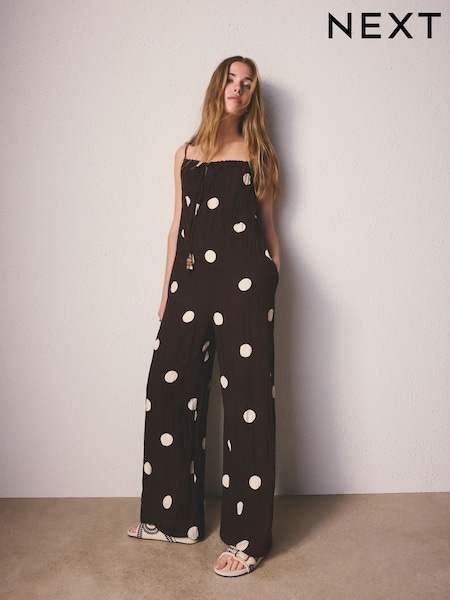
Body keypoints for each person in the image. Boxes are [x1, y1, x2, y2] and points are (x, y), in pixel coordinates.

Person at [128, 56, 280, 577]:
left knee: (247, 403)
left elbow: (269, 227)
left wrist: (271, 277)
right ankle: (172, 519)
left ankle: (246, 539)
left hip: (245, 282)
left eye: (247, 84)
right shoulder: (186, 153)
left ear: (253, 96)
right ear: (217, 86)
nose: (237, 89)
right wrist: (167, 289)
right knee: (167, 383)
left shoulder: (259, 153)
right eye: (231, 80)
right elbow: (177, 224)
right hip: (190, 283)